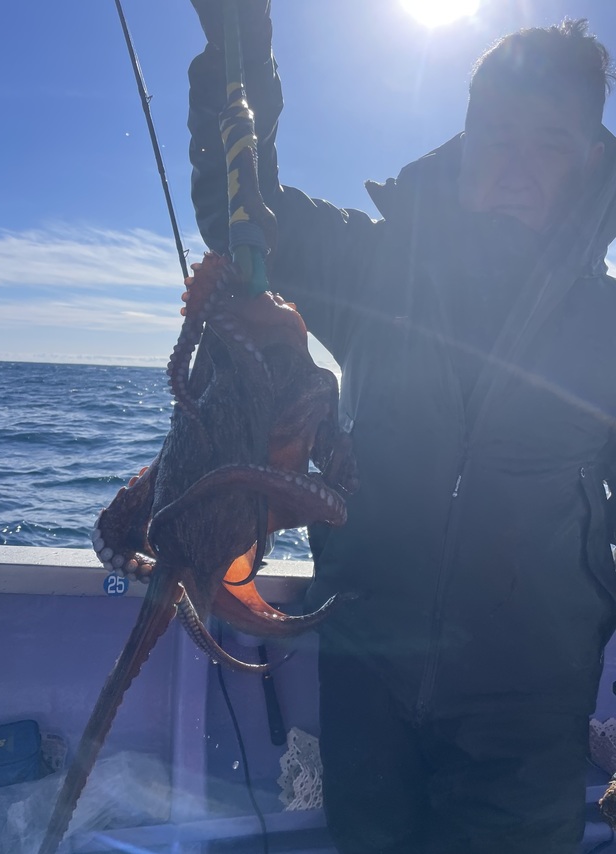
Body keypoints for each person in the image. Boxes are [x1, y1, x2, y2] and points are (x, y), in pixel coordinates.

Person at [187, 5, 616, 852]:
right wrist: (241, 47)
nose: (516, 167)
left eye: (549, 142)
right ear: (463, 142)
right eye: (497, 136)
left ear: (591, 159)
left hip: (528, 706)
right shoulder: (377, 266)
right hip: (367, 672)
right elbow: (243, 214)